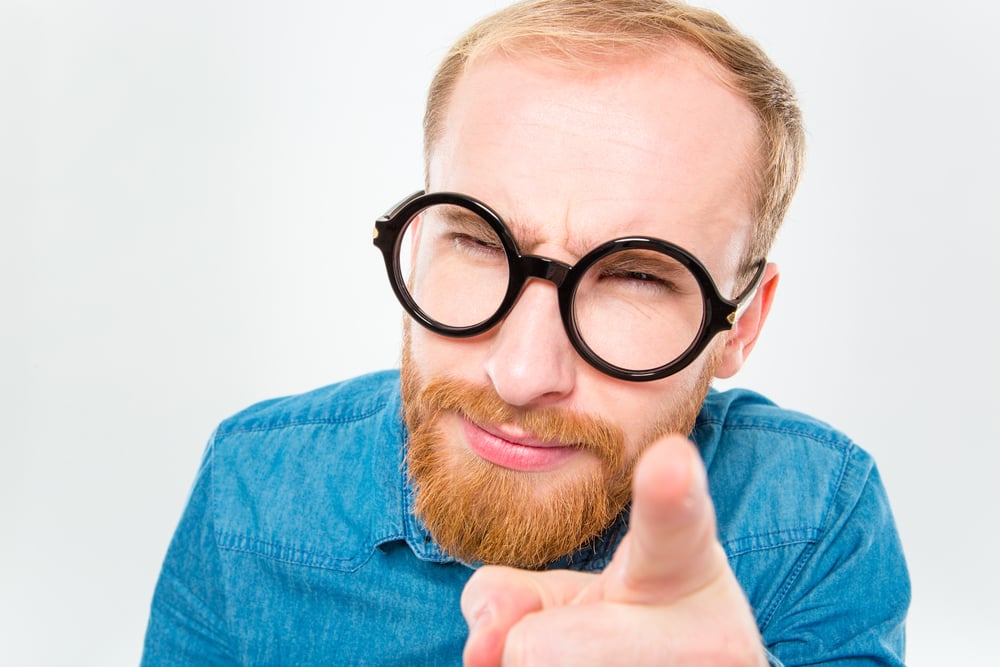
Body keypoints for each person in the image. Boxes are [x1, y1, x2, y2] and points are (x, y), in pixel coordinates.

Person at [141, 0, 910, 664]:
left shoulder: (818, 518)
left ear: (743, 322)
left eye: (637, 276)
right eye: (476, 241)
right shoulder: (252, 486)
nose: (519, 372)